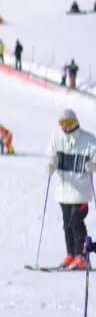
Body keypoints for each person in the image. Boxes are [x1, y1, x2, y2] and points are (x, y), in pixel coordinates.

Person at [47, 109, 96, 270]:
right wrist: (51, 165)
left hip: (81, 191)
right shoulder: (57, 139)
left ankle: (81, 256)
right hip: (63, 189)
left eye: (69, 123)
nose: (66, 127)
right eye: (63, 124)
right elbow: (52, 156)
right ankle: (70, 254)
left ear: (75, 122)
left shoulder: (88, 140)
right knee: (67, 224)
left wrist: (92, 165)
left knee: (76, 222)